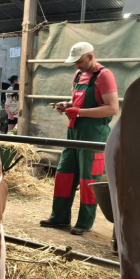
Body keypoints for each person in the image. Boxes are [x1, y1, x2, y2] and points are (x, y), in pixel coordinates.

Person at [40, 42, 118, 235]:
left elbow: (112, 108)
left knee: (88, 179)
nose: (77, 66)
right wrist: (66, 104)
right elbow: (77, 102)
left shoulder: (104, 75)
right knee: (63, 174)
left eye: (80, 61)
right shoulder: (78, 75)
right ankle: (59, 218)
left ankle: (84, 223)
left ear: (90, 57)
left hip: (93, 134)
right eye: (75, 62)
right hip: (73, 132)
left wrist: (80, 112)